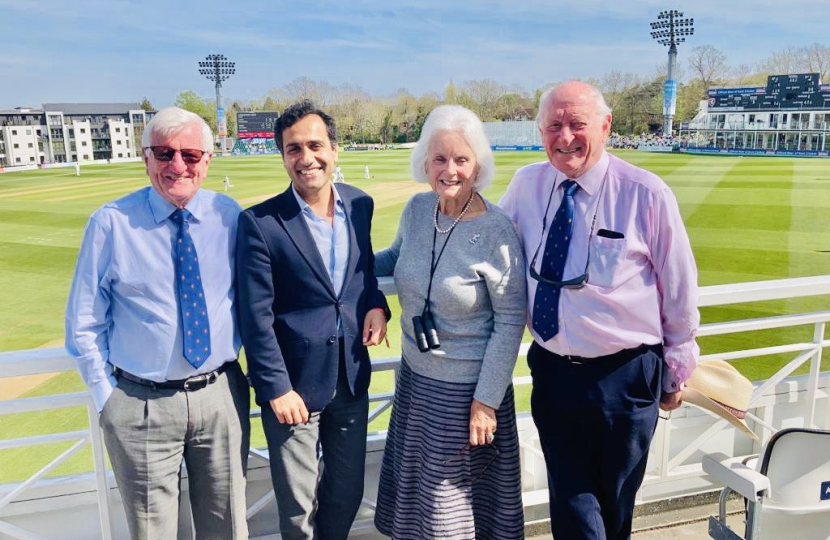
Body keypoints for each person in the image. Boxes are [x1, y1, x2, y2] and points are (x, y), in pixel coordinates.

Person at [499, 81, 700, 540]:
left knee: (613, 508)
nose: (564, 136)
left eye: (577, 124)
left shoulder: (646, 193)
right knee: (571, 507)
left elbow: (679, 292)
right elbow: (487, 243)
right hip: (552, 373)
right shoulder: (526, 184)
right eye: (553, 125)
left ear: (606, 126)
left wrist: (675, 373)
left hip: (624, 379)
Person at [65, 107, 250, 540]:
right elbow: (84, 322)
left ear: (207, 160)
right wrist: (108, 398)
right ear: (145, 158)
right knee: (153, 533)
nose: (178, 165)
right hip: (140, 402)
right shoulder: (111, 223)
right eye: (164, 153)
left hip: (220, 394)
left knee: (228, 527)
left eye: (190, 154)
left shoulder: (230, 216)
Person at [236, 100, 390, 540]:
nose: (306, 158)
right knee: (299, 512)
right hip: (293, 392)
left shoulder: (360, 205)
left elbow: (361, 274)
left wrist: (377, 302)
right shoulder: (260, 223)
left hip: (350, 380)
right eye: (293, 149)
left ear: (334, 150)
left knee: (345, 497)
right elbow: (255, 316)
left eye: (315, 145)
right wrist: (276, 388)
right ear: (282, 156)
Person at [374, 105, 527, 539]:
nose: (450, 170)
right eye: (440, 159)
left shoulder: (497, 230)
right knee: (419, 509)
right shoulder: (419, 208)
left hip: (467, 397)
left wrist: (485, 403)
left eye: (461, 159)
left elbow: (511, 320)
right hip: (416, 382)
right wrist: (344, 271)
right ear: (425, 162)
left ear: (478, 165)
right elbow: (394, 258)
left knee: (452, 513)